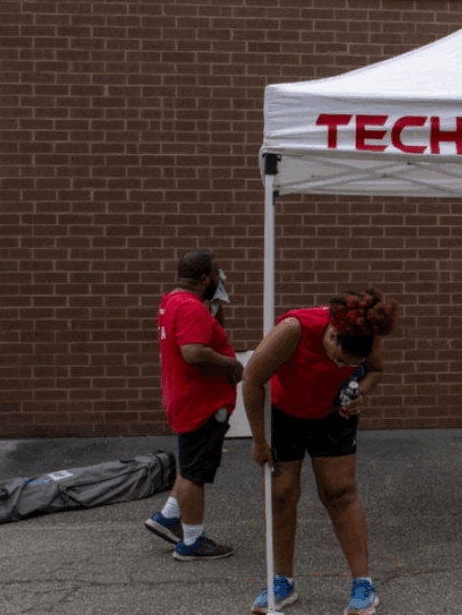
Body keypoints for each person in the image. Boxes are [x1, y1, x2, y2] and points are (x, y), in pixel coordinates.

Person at [242, 289, 399, 615]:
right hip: (283, 413)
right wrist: (258, 440)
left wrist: (360, 395)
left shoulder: (367, 333)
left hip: (333, 413)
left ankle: (363, 586)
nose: (339, 364)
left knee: (339, 492)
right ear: (331, 331)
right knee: (280, 494)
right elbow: (252, 379)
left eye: (347, 364)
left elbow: (374, 370)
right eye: (337, 356)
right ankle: (281, 582)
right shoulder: (294, 330)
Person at [145, 249, 244, 560]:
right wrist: (231, 365)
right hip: (200, 403)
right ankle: (192, 541)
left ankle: (169, 515)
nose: (219, 280)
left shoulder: (172, 301)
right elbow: (194, 352)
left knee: (190, 464)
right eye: (216, 275)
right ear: (204, 278)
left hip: (185, 398)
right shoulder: (192, 308)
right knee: (194, 474)